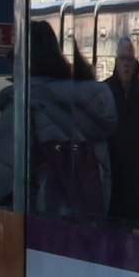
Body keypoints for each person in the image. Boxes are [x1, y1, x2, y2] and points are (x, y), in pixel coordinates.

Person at [22, 20, 112, 221]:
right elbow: (103, 166)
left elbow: (5, 174)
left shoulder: (26, 101)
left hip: (43, 221)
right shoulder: (88, 101)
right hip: (89, 216)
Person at [102, 39, 139, 228]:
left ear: (135, 62)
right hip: (112, 186)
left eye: (129, 58)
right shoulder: (105, 91)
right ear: (116, 62)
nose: (126, 63)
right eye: (122, 58)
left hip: (138, 189)